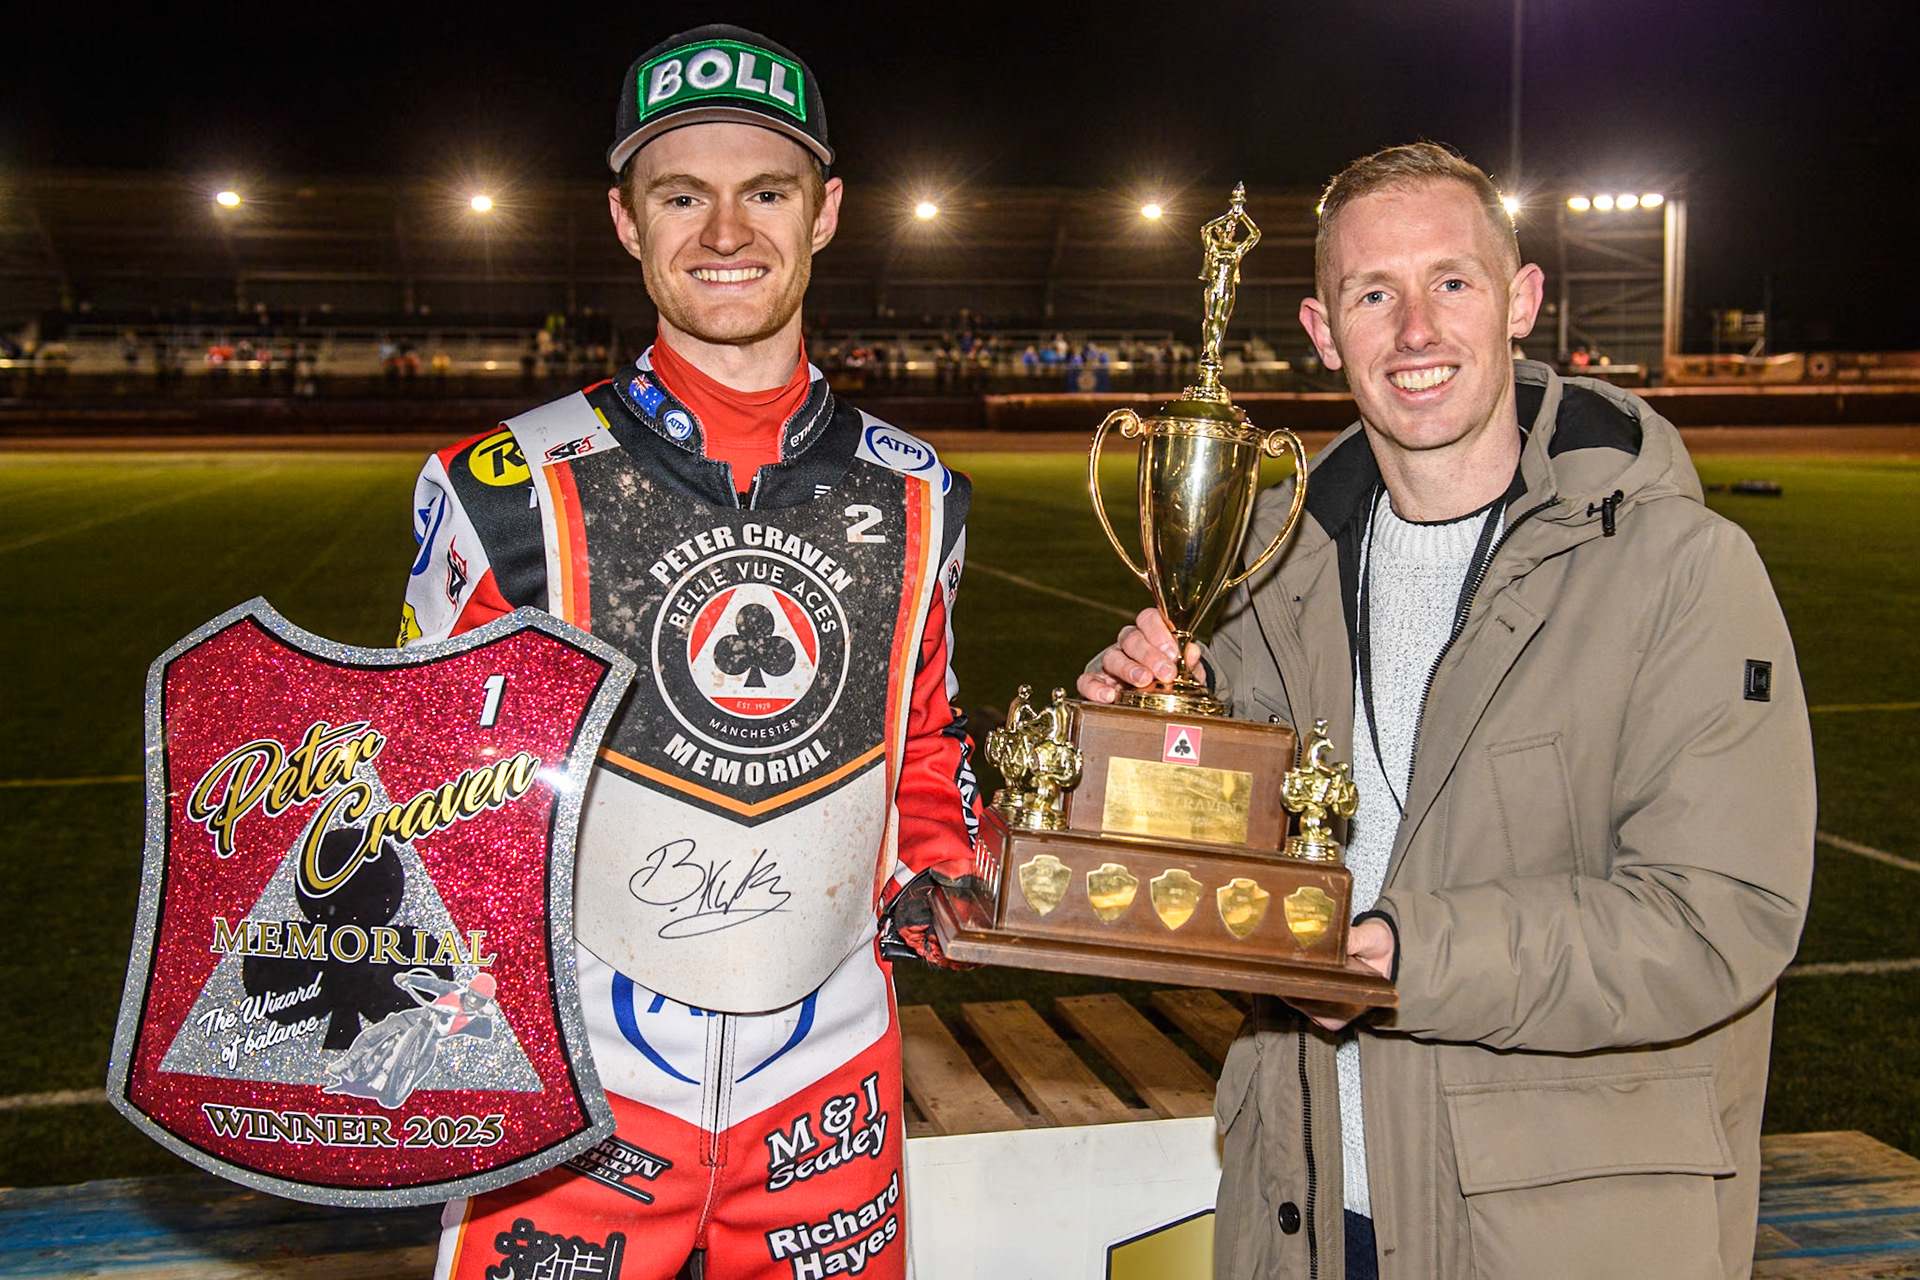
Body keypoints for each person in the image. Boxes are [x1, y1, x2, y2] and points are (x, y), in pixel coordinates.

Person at [1080, 143, 1813, 1280]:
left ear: (1520, 301)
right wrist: (1139, 749)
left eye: (1452, 282)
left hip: (1559, 1237)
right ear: (1325, 332)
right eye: (1375, 293)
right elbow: (1217, 889)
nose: (1416, 329)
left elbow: (1719, 918)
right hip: (1310, 1216)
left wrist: (1407, 954)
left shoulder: (1684, 568)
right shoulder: (1270, 587)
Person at [401, 26, 982, 1279]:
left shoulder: (922, 491)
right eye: (683, 195)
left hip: (828, 1095)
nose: (727, 233)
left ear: (825, 213)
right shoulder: (499, 485)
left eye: (764, 191)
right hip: (569, 1103)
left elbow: (923, 736)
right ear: (625, 220)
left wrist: (938, 857)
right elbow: (426, 797)